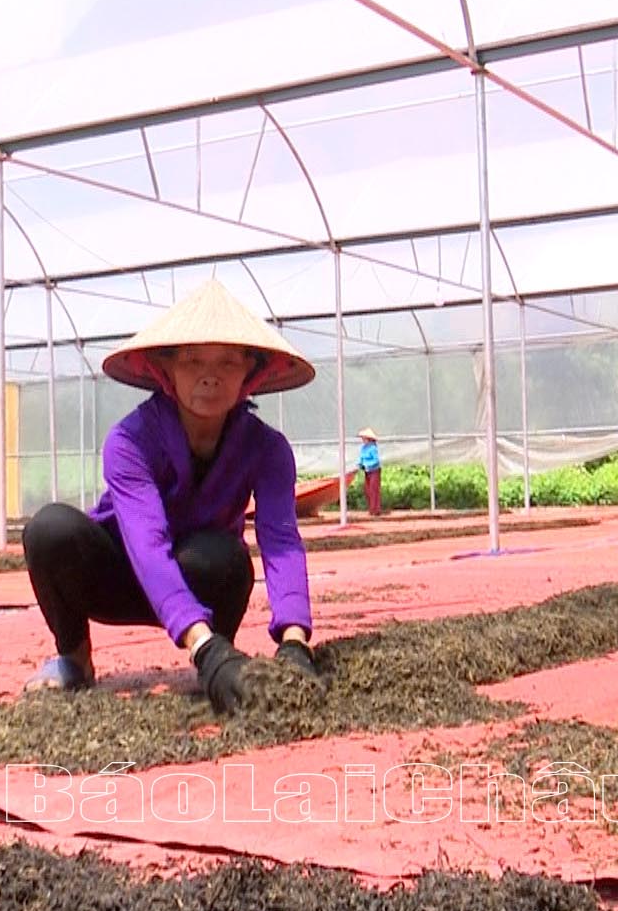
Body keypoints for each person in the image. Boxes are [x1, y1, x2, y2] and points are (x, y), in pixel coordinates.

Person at [20, 281, 319, 715]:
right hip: (118, 576)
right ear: (166, 369)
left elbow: (281, 540)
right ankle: (76, 658)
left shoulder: (268, 449)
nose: (209, 374)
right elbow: (147, 545)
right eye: (192, 359)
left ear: (251, 373)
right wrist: (203, 646)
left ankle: (217, 658)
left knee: (227, 558)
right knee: (49, 530)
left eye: (228, 362)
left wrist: (296, 642)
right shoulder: (129, 441)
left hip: (200, 574)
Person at [357, 428, 384, 517]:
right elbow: (361, 458)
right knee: (367, 490)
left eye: (364, 438)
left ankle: (375, 510)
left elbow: (376, 460)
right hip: (367, 471)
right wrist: (360, 464)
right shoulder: (363, 448)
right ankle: (371, 509)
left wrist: (367, 465)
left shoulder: (373, 448)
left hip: (374, 470)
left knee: (374, 489)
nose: (363, 440)